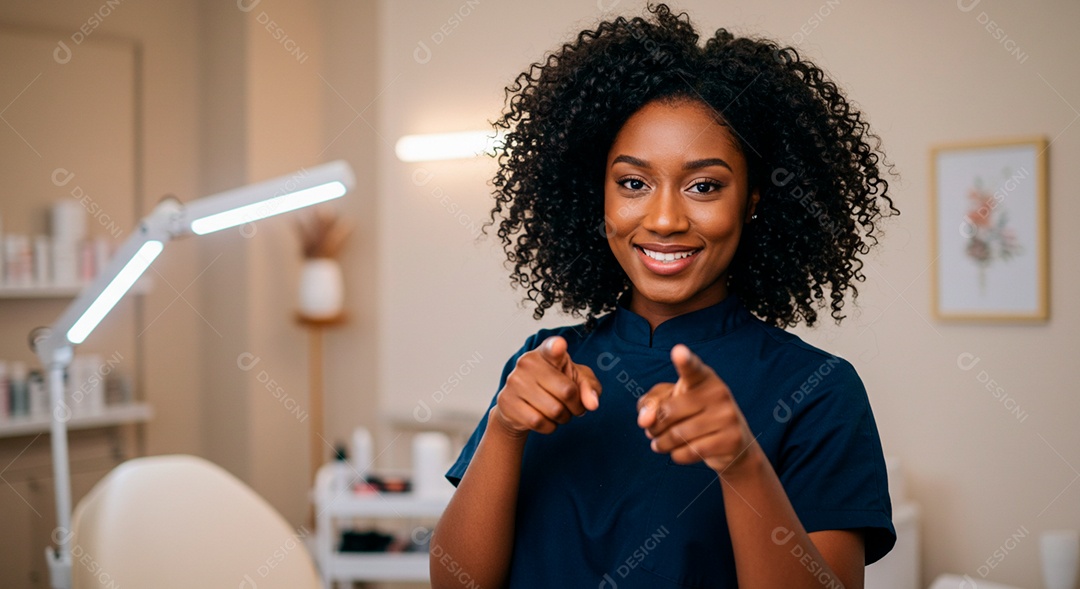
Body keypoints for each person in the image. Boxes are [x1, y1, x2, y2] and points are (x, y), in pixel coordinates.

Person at [431, 4, 898, 588]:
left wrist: (741, 462)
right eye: (633, 183)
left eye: (704, 185)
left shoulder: (818, 391)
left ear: (753, 199)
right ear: (595, 192)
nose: (665, 218)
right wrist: (504, 426)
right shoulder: (545, 364)